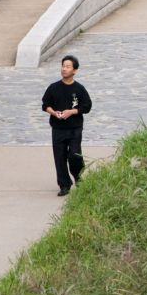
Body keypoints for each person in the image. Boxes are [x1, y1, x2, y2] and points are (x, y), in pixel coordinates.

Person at [41, 55, 93, 196]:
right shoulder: (53, 87)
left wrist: (72, 111)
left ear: (74, 70)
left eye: (68, 66)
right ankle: (64, 185)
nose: (64, 69)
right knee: (60, 157)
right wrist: (53, 112)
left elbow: (87, 106)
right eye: (63, 66)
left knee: (75, 155)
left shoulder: (79, 89)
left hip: (75, 128)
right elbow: (45, 105)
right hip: (58, 128)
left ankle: (78, 177)